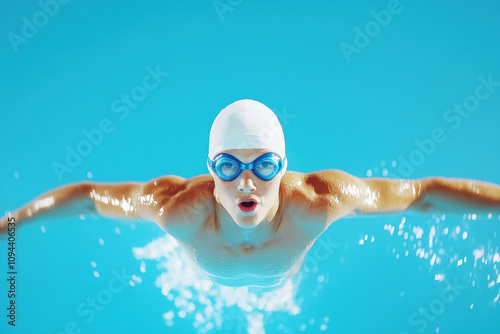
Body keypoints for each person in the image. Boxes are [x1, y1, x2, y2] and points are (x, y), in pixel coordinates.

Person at [1, 99, 499, 288]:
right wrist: (12, 223)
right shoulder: (176, 210)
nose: (246, 182)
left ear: (282, 167)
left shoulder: (318, 202)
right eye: (228, 165)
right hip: (197, 284)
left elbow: (425, 193)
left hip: (284, 288)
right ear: (210, 170)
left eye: (263, 166)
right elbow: (89, 196)